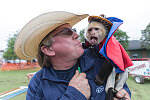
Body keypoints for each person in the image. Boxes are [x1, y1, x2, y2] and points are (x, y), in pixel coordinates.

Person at [14, 11, 131, 100]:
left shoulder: (100, 59)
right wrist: (74, 95)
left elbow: (120, 85)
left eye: (73, 30)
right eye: (67, 32)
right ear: (48, 49)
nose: (76, 35)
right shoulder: (37, 84)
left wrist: (124, 93)